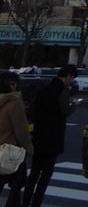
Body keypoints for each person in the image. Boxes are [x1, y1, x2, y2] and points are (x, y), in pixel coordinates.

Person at [24, 63, 77, 207]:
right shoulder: (63, 91)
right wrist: (73, 106)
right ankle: (36, 203)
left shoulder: (44, 89)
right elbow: (64, 112)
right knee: (45, 175)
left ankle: (25, 202)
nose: (71, 81)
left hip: (39, 134)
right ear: (68, 76)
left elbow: (34, 110)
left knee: (34, 173)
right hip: (53, 136)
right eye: (71, 78)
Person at [0, 71, 33, 205]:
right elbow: (21, 131)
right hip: (8, 151)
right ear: (12, 85)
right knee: (17, 184)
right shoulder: (14, 103)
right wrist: (29, 148)